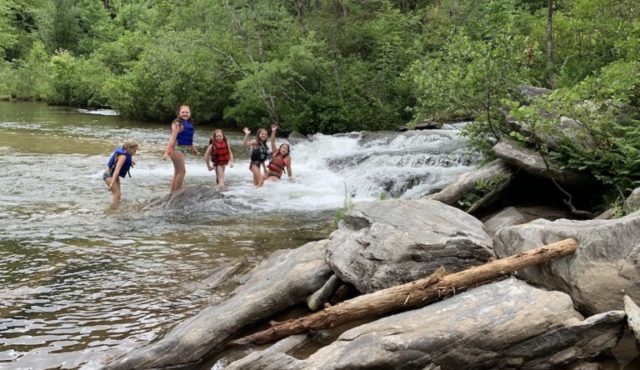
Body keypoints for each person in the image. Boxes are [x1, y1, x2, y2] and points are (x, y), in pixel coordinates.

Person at [162, 105, 199, 192]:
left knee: (177, 172)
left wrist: (193, 149)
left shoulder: (189, 123)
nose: (185, 114)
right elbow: (172, 139)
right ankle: (177, 193)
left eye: (187, 112)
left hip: (181, 149)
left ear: (190, 114)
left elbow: (189, 139)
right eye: (183, 112)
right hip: (175, 149)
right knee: (182, 171)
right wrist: (166, 153)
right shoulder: (177, 123)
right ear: (179, 113)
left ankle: (172, 193)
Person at [103, 139, 139, 209]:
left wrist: (130, 162)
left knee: (118, 195)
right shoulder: (123, 157)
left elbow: (118, 161)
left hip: (113, 175)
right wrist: (112, 183)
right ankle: (112, 211)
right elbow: (117, 170)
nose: (135, 152)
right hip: (109, 175)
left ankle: (115, 208)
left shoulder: (125, 153)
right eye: (134, 150)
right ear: (129, 148)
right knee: (116, 194)